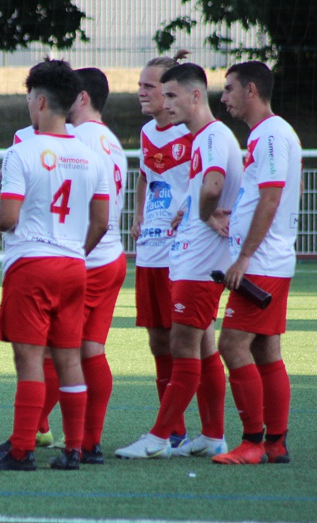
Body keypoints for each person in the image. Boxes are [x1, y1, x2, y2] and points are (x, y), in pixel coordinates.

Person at [0, 58, 109, 471]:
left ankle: (22, 450)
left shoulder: (22, 152)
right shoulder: (92, 155)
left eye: (27, 96)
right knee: (69, 357)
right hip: (74, 264)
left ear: (39, 102)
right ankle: (74, 448)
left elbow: (7, 217)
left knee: (30, 360)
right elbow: (103, 221)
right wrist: (76, 249)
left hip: (32, 264)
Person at [116, 63, 240, 459]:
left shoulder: (209, 136)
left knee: (189, 342)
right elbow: (189, 184)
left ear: (193, 96)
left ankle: (161, 438)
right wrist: (183, 208)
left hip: (195, 255)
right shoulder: (193, 135)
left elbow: (215, 185)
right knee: (178, 342)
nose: (159, 100)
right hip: (169, 249)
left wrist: (202, 214)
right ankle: (207, 435)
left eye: (167, 93)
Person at [211, 61, 302, 465]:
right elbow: (259, 199)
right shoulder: (270, 134)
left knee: (230, 344)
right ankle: (275, 444)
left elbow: (270, 198)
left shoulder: (269, 135)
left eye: (229, 89)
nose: (224, 97)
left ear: (250, 90)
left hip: (262, 262)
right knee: (266, 350)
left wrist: (244, 256)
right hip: (270, 258)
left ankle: (252, 442)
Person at [60, 67, 128, 463]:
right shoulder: (110, 140)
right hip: (110, 254)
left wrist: (74, 253)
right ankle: (90, 442)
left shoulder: (80, 139)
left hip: (89, 256)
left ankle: (32, 434)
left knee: (59, 350)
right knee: (89, 350)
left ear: (82, 97)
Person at [131, 52, 197, 453]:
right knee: (158, 341)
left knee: (187, 342)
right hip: (150, 249)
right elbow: (145, 177)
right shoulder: (145, 132)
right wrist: (139, 216)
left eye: (149, 86)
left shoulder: (191, 133)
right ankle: (175, 432)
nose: (141, 92)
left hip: (184, 249)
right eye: (140, 85)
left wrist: (187, 213)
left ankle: (199, 431)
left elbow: (208, 181)